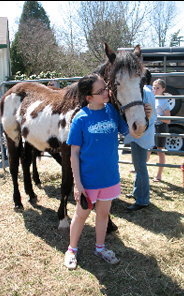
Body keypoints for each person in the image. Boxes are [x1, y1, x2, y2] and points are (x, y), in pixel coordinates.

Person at [64, 73, 130, 270]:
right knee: (81, 215)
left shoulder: (112, 111)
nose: (106, 93)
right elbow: (74, 153)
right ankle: (71, 250)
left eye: (106, 88)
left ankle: (100, 248)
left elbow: (131, 132)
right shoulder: (81, 119)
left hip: (109, 177)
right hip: (88, 180)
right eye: (100, 91)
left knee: (103, 214)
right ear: (89, 97)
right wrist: (78, 184)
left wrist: (148, 116)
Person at [125, 69, 157, 211]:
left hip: (140, 135)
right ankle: (137, 192)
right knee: (139, 166)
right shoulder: (148, 91)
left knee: (140, 168)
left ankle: (143, 200)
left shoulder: (143, 91)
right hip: (144, 134)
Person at [147, 79, 170, 182]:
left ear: (163, 89)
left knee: (160, 152)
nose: (155, 90)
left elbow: (168, 120)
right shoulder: (152, 98)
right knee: (148, 148)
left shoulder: (164, 101)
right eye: (153, 88)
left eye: (157, 88)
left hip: (161, 127)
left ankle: (159, 176)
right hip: (152, 126)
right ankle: (139, 168)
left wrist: (158, 116)